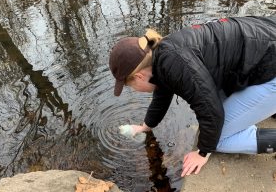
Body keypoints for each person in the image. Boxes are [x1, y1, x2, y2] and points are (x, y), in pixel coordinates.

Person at [109, 16, 276, 177]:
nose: (135, 90)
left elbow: (211, 112)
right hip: (263, 41)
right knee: (217, 121)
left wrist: (203, 152)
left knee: (217, 140)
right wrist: (146, 126)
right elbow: (162, 94)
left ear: (138, 76)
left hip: (270, 63)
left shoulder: (176, 64)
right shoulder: (162, 54)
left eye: (130, 87)